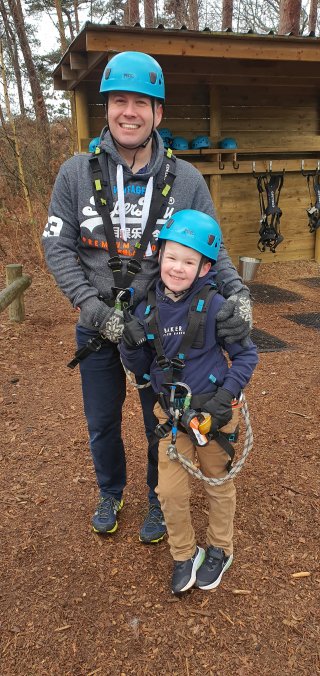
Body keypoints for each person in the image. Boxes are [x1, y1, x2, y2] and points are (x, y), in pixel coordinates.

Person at [42, 51, 253, 544]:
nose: (129, 111)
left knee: (163, 421)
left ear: (159, 113)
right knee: (100, 421)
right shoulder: (75, 174)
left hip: (163, 328)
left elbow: (212, 249)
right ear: (107, 108)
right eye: (119, 100)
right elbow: (58, 247)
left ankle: (160, 497)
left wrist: (238, 294)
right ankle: (110, 490)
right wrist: (92, 309)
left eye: (142, 102)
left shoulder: (186, 181)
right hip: (97, 325)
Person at [119, 209, 258, 594]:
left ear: (204, 268)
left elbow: (246, 356)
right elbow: (143, 370)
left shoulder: (215, 307)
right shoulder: (146, 308)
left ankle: (220, 549)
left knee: (218, 483)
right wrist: (130, 345)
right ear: (159, 256)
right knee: (170, 491)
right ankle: (184, 553)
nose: (177, 268)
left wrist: (224, 398)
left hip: (214, 413)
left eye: (189, 261)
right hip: (172, 415)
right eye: (172, 257)